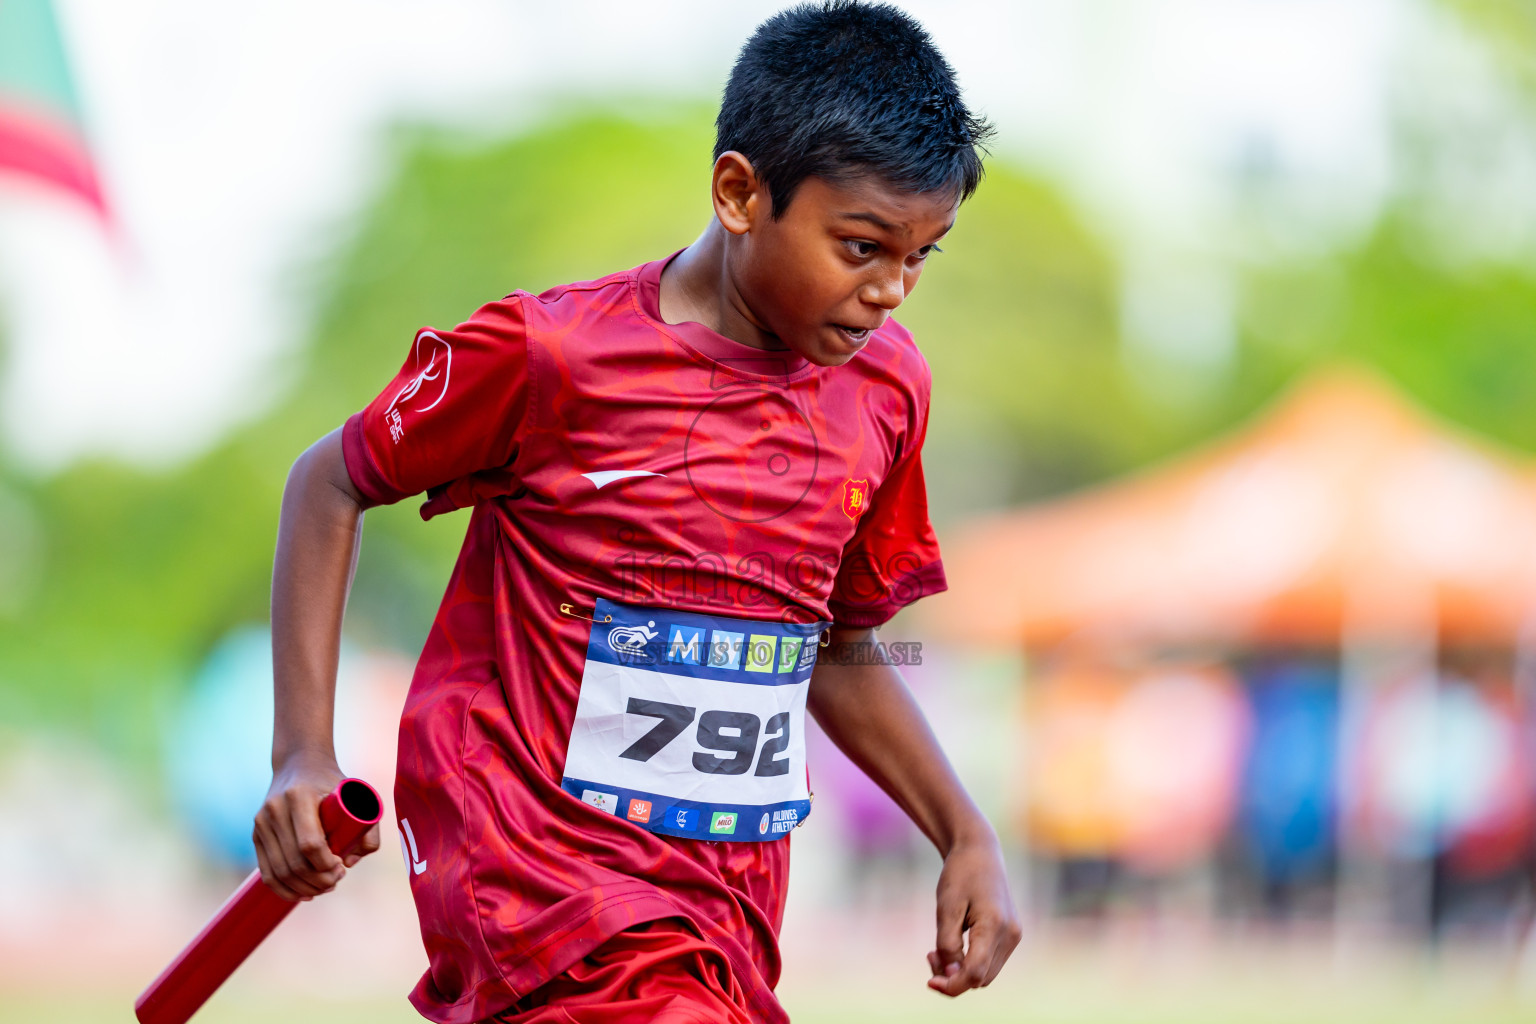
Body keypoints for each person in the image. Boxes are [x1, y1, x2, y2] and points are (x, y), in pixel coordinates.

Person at [253, 2, 1021, 1021]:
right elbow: (331, 479)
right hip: (540, 878)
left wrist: (964, 828)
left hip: (724, 909)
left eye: (923, 255)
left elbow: (836, 648)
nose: (893, 290)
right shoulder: (554, 356)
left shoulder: (887, 394)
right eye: (862, 245)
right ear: (741, 193)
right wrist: (302, 749)